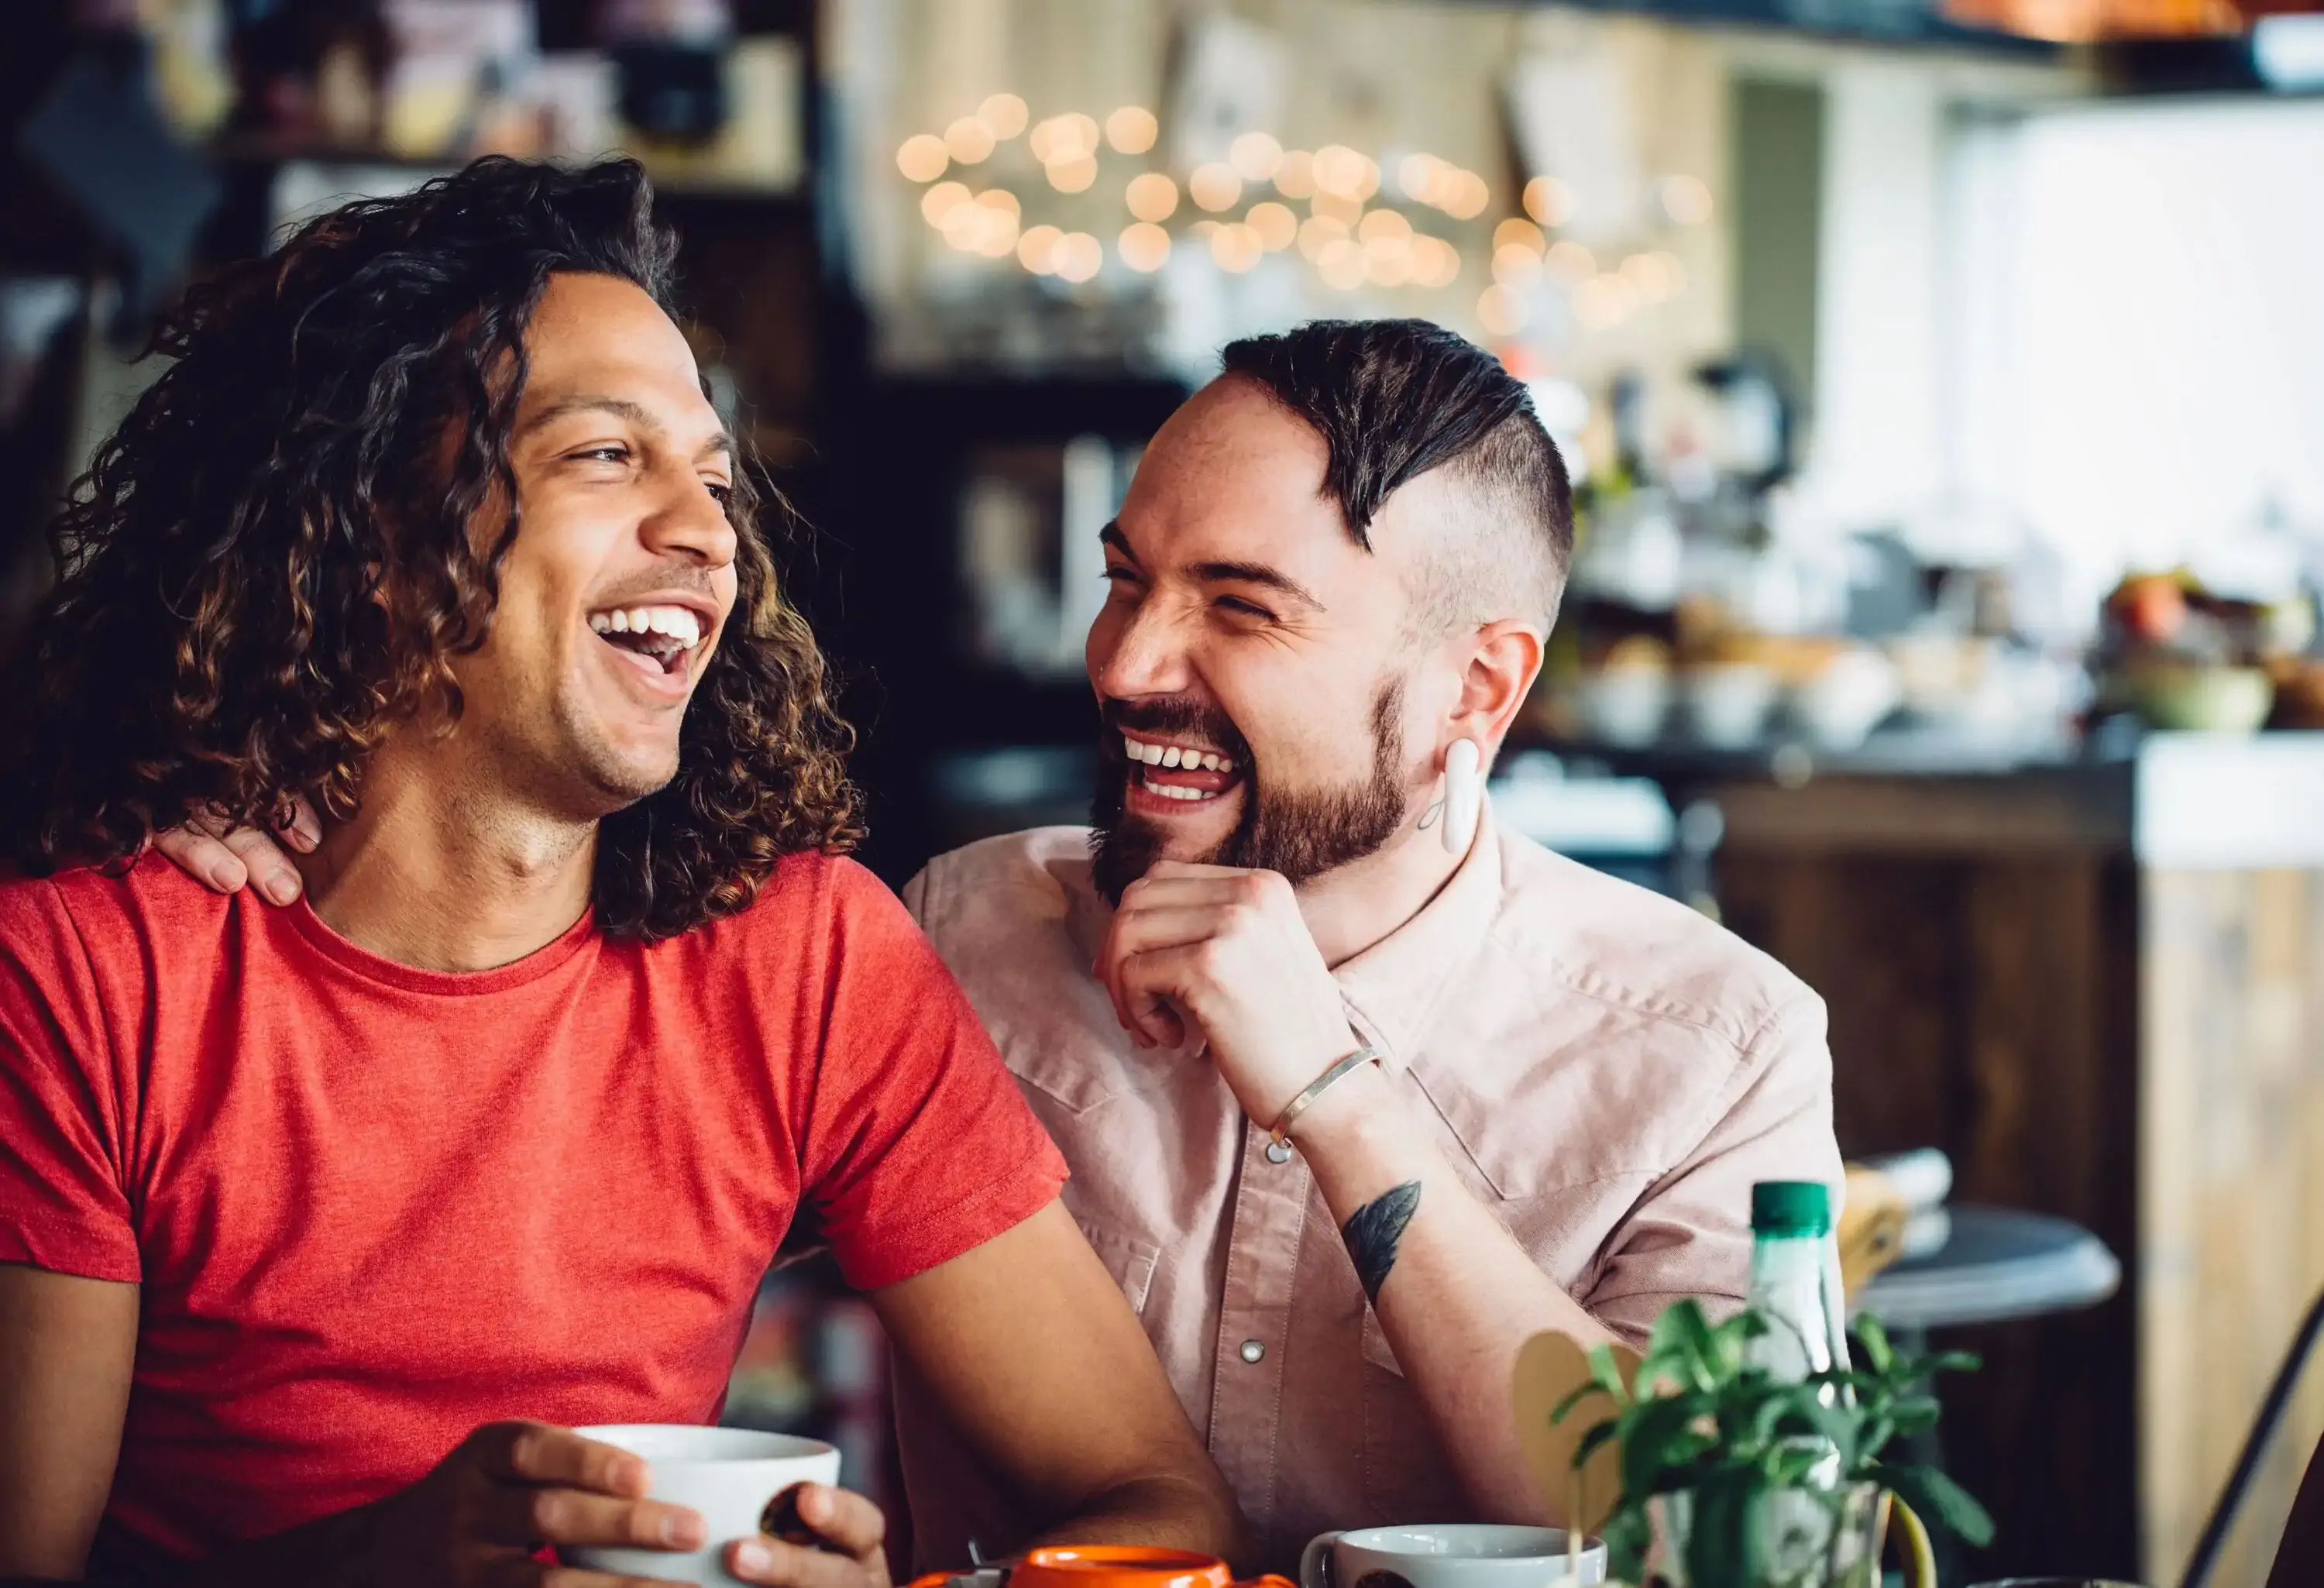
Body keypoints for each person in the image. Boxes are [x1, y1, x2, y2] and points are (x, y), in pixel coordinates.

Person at [158, 321, 1843, 1569]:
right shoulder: (959, 928)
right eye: (1128, 579)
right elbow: (554, 1064)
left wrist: (1337, 1090)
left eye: (1239, 607)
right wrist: (287, 815)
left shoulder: (1715, 1042)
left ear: (1478, 689)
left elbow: (1704, 1545)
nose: (1126, 665)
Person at [0, 157, 1239, 1586]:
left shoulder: (801, 954)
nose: (711, 533)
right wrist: (390, 1564)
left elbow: (1155, 1499)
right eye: (606, 454)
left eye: (715, 477)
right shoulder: (91, 978)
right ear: (372, 538)